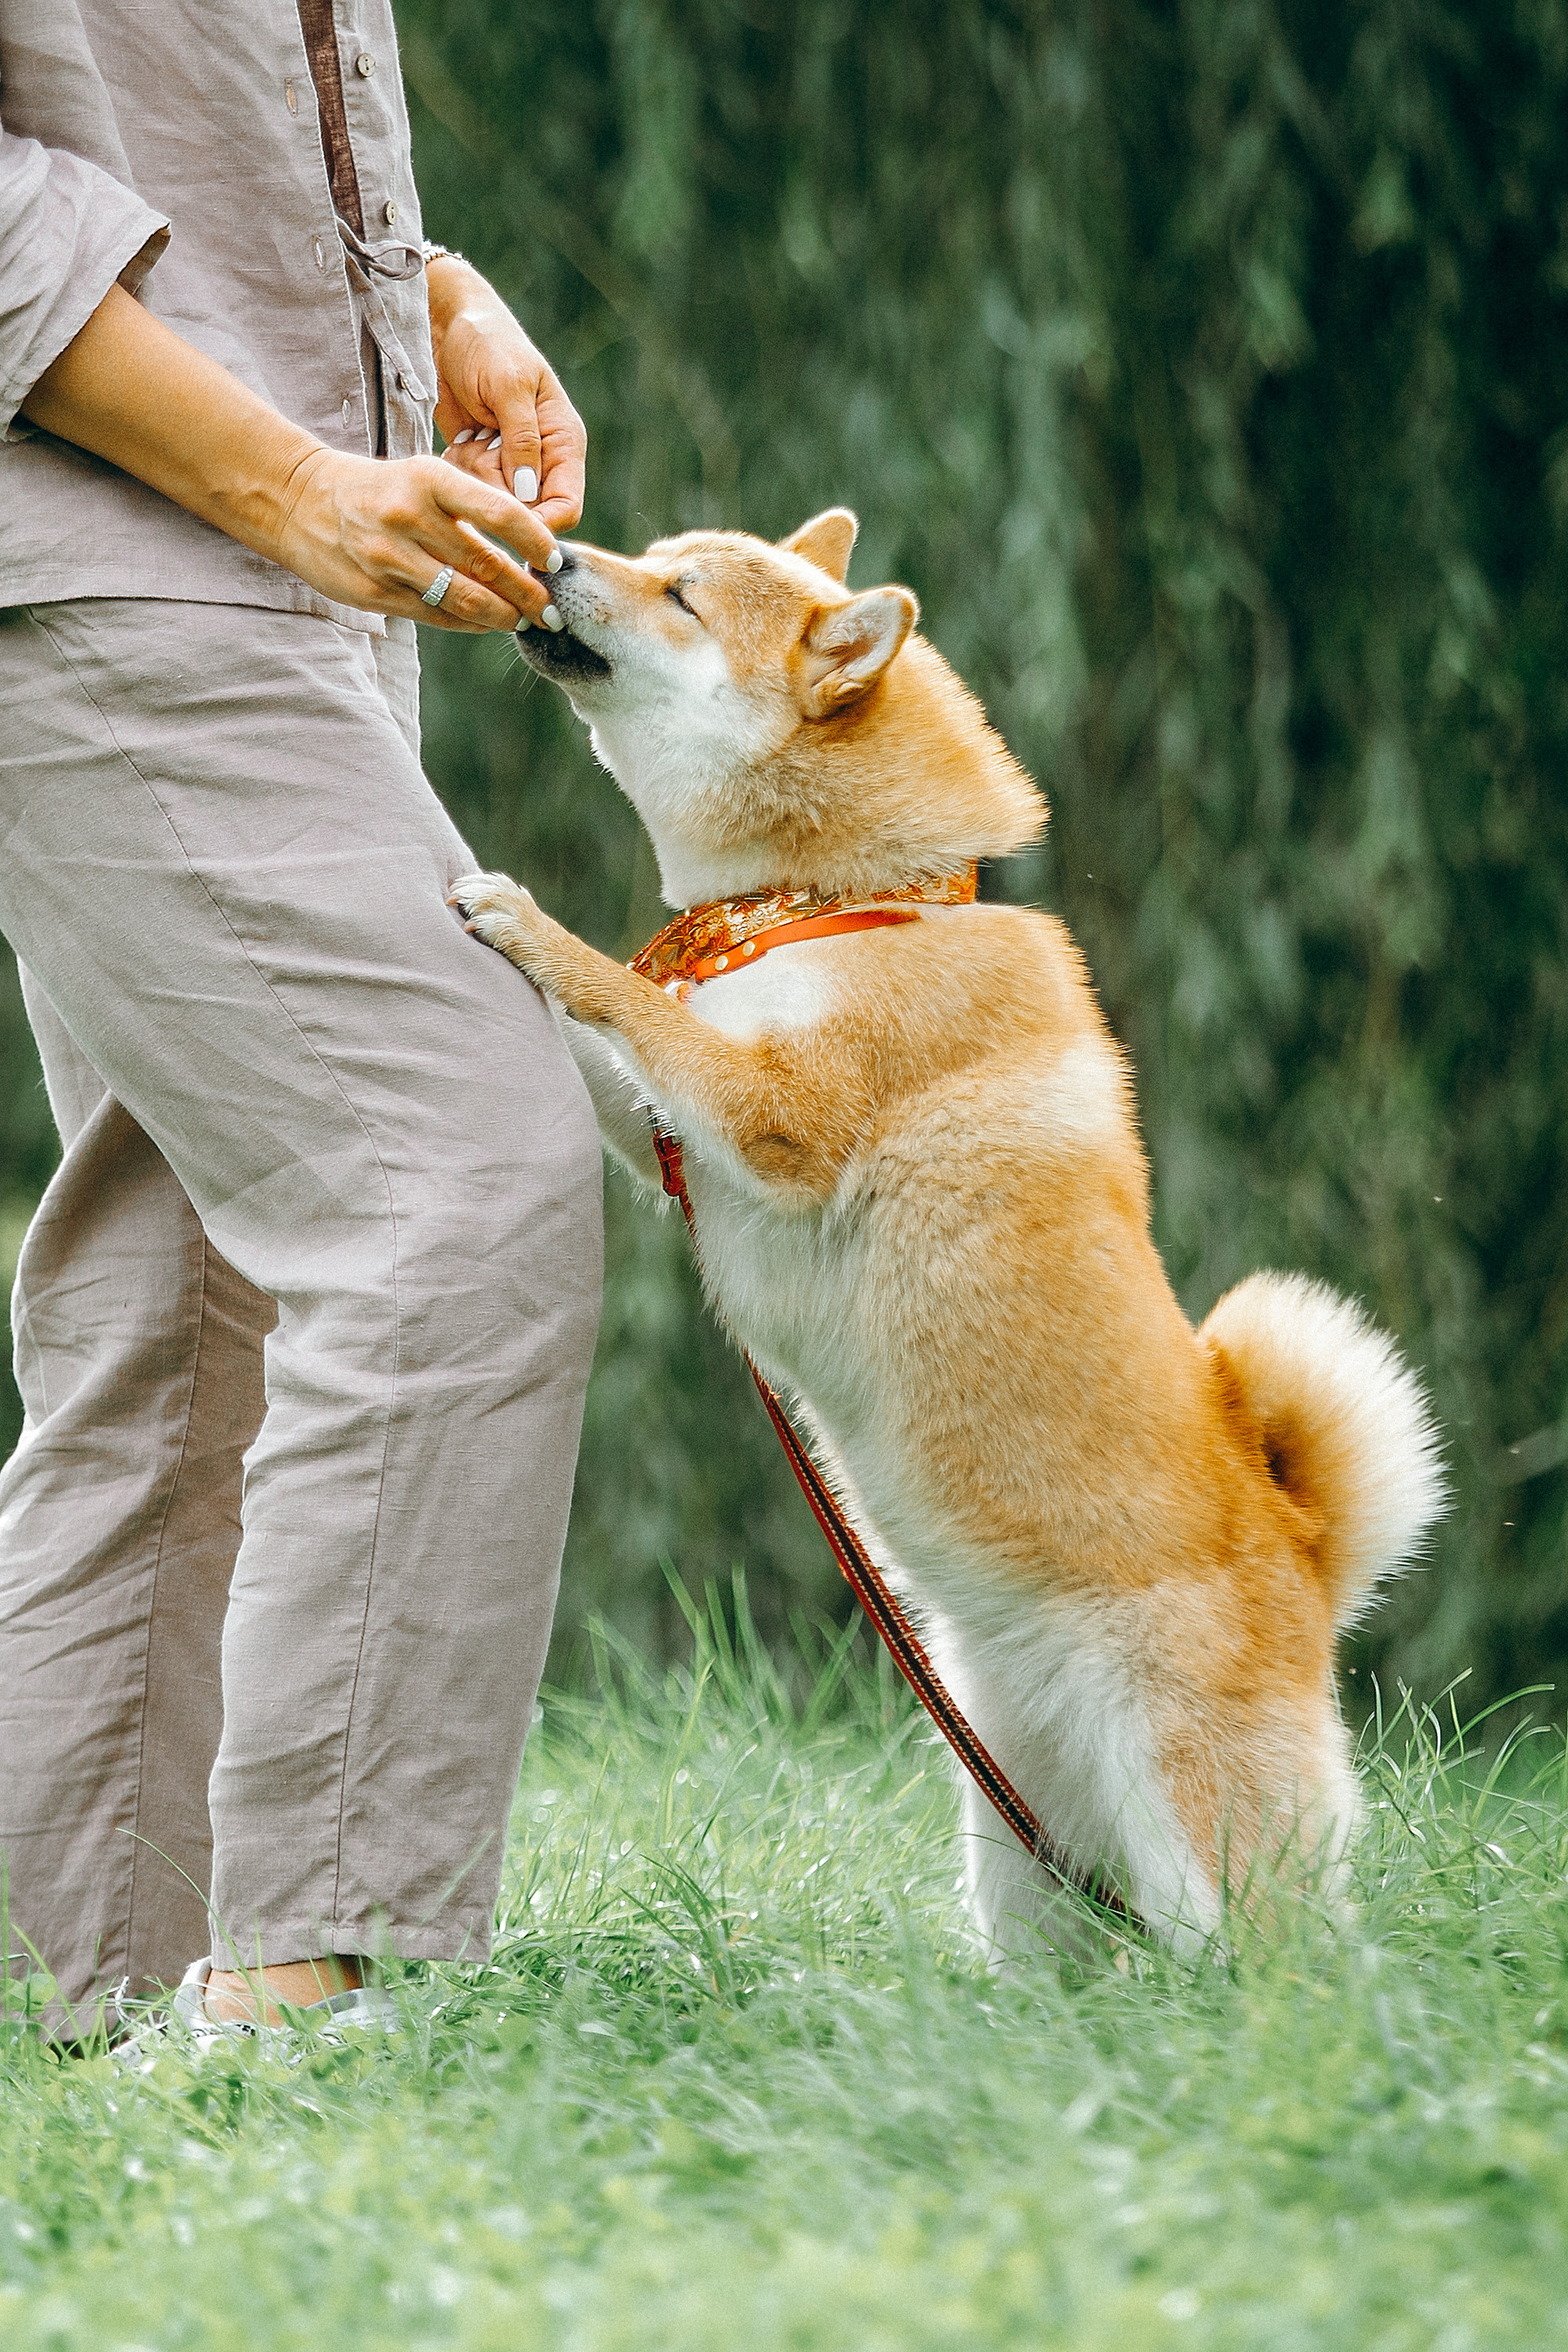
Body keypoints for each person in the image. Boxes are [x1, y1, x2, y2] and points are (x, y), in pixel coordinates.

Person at [0, 0, 604, 2034]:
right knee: (453, 1168)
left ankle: (100, 2006)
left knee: (190, 1302)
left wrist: (410, 297)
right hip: (117, 548)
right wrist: (286, 483)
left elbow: (164, 117)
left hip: (262, 555)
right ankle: (291, 2007)